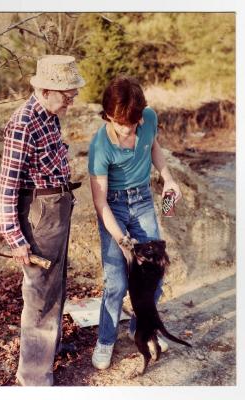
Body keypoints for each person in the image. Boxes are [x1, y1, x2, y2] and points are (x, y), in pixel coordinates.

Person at [0, 55, 85, 386]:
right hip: (39, 216)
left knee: (55, 285)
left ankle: (48, 349)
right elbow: (7, 188)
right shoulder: (22, 124)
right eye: (67, 93)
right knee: (39, 293)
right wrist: (16, 239)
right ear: (46, 90)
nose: (72, 99)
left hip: (58, 208)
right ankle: (33, 377)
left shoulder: (50, 116)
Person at [88, 76, 182, 370]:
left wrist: (168, 177)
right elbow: (100, 203)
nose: (129, 129)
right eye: (122, 123)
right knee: (116, 282)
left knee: (155, 271)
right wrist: (123, 241)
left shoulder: (148, 118)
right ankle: (105, 339)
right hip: (112, 206)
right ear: (108, 116)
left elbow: (153, 147)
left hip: (142, 199)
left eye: (134, 121)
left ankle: (140, 327)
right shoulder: (99, 146)